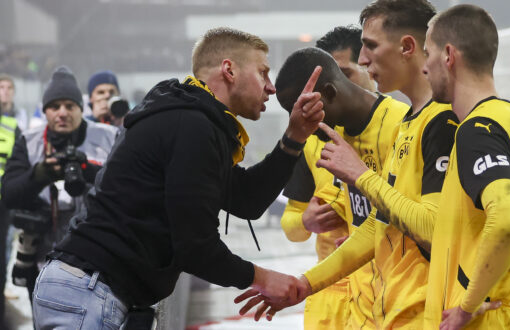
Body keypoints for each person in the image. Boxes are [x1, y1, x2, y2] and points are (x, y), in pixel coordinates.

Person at [31, 27, 322, 329]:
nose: (271, 87)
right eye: (263, 73)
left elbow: (247, 199)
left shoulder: (190, 118)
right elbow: (195, 247)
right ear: (229, 70)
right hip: (89, 291)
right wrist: (263, 278)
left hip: (83, 287)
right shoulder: (192, 126)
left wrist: (295, 136)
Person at [236, 1, 458, 327]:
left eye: (369, 47)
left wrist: (480, 302)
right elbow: (378, 225)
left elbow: (439, 230)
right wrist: (304, 283)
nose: (364, 61)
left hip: (421, 311)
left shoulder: (448, 120)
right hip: (365, 302)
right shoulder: (410, 122)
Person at [420, 5, 510, 329]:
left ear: (448, 55)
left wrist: (467, 304)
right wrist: (505, 285)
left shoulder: (478, 130)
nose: (423, 67)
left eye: (427, 53)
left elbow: (509, 220)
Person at [278, 45, 408, 329]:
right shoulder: (318, 138)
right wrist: (305, 221)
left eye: (348, 71)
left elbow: (409, 219)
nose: (305, 121)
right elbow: (290, 226)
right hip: (333, 292)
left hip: (397, 291)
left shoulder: (403, 125)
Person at [1, 66, 118, 305]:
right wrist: (38, 176)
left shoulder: (108, 135)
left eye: (70, 106)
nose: (62, 113)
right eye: (55, 107)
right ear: (45, 111)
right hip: (43, 259)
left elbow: (127, 187)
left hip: (97, 259)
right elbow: (9, 194)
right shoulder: (30, 140)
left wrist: (88, 171)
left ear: (80, 108)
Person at [0, 76, 21, 328]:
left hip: (3, 201)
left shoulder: (14, 124)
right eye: (0, 87)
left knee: (4, 249)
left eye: (8, 88)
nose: (4, 92)